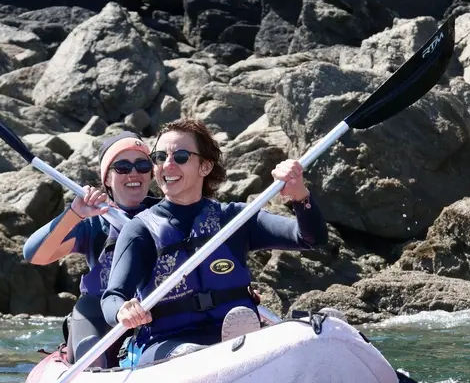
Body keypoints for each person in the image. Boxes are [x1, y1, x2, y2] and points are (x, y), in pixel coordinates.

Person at [101, 118, 327, 366]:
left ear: (205, 167)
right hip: (166, 343)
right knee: (190, 354)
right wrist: (124, 310)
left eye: (181, 156)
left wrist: (299, 195)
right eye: (159, 157)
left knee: (314, 330)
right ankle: (228, 356)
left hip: (232, 332)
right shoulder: (140, 229)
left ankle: (241, 349)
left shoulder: (233, 218)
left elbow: (309, 238)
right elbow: (112, 297)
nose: (167, 165)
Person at [23, 131, 159, 367]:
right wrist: (75, 214)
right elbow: (35, 255)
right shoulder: (94, 222)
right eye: (122, 166)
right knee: (87, 305)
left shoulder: (166, 215)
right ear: (107, 179)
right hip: (101, 316)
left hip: (152, 310)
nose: (134, 173)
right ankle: (91, 370)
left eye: (142, 165)